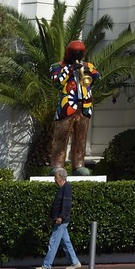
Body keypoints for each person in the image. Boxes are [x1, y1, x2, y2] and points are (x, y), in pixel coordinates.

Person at [49, 38, 99, 173]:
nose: (77, 56)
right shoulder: (57, 66)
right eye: (74, 53)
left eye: (80, 53)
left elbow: (96, 76)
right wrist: (69, 70)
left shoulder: (88, 66)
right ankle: (57, 165)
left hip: (84, 107)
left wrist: (85, 70)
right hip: (67, 107)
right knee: (61, 137)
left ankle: (79, 165)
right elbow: (57, 82)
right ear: (69, 53)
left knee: (81, 138)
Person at [36, 169, 81, 269]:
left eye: (56, 177)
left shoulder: (66, 188)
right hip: (60, 220)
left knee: (53, 242)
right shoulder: (63, 188)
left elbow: (66, 204)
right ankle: (75, 262)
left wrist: (61, 217)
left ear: (61, 177)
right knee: (66, 242)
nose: (54, 180)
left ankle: (46, 265)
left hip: (61, 220)